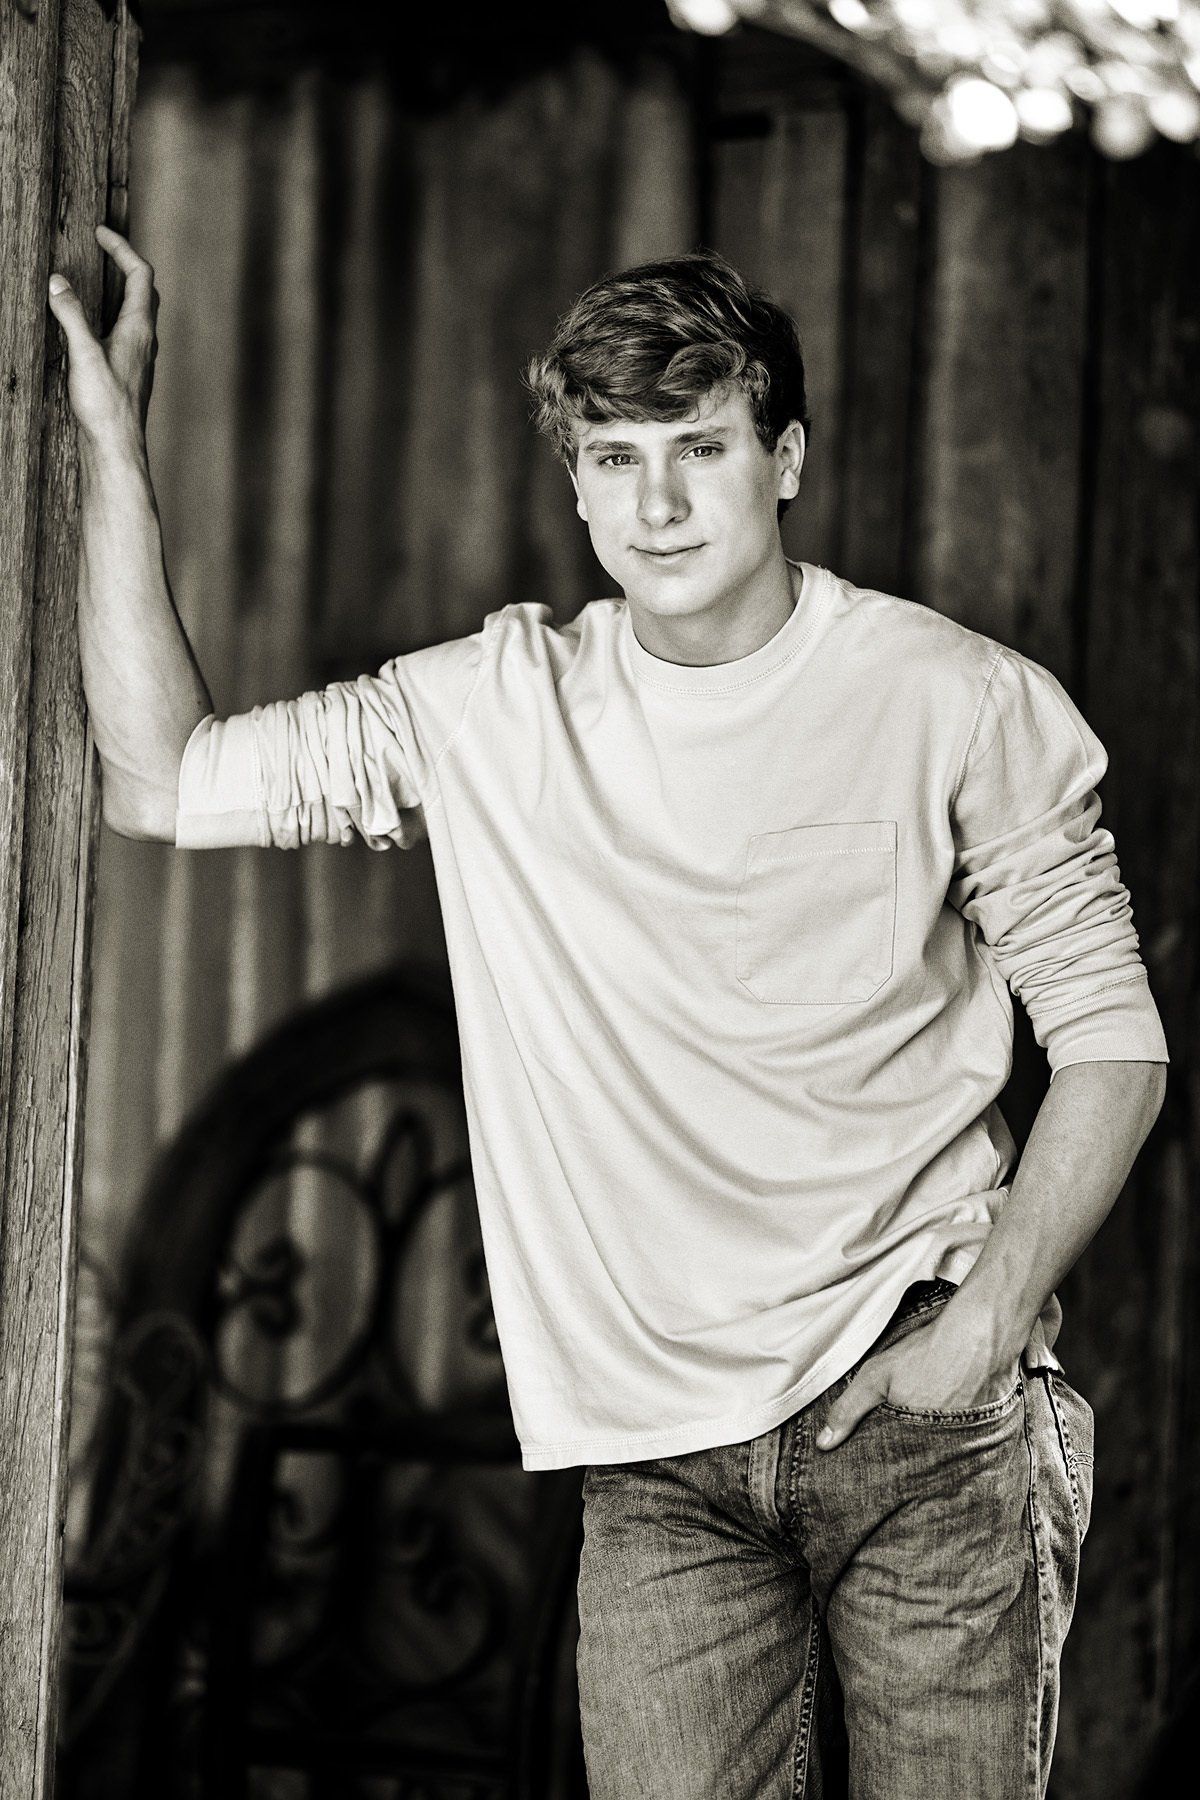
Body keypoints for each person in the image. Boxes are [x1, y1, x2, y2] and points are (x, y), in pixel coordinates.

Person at [49, 226, 1168, 1800]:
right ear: (572, 482)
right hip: (654, 1461)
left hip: (921, 1403)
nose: (658, 502)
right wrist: (115, 441)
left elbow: (1116, 1043)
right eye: (615, 456)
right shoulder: (493, 709)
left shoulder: (953, 697)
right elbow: (163, 782)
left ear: (781, 457)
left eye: (701, 447)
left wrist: (985, 1330)